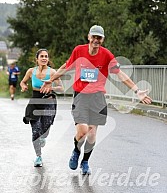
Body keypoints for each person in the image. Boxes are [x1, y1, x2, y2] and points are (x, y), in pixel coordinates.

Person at [40, 25, 152, 175]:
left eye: (99, 38)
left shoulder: (106, 55)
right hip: (81, 95)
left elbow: (120, 75)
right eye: (93, 37)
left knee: (92, 133)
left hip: (97, 97)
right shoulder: (79, 50)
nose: (96, 40)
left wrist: (137, 90)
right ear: (88, 37)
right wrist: (50, 80)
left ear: (103, 39)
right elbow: (66, 67)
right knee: (82, 132)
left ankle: (85, 161)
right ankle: (76, 150)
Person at [20, 49, 64, 167]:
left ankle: (43, 136)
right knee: (35, 131)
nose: (44, 58)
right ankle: (38, 156)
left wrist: (51, 88)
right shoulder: (31, 71)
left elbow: (61, 88)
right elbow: (23, 82)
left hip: (48, 102)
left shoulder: (52, 72)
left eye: (46, 56)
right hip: (34, 102)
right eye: (42, 56)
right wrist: (24, 86)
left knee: (45, 128)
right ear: (37, 59)